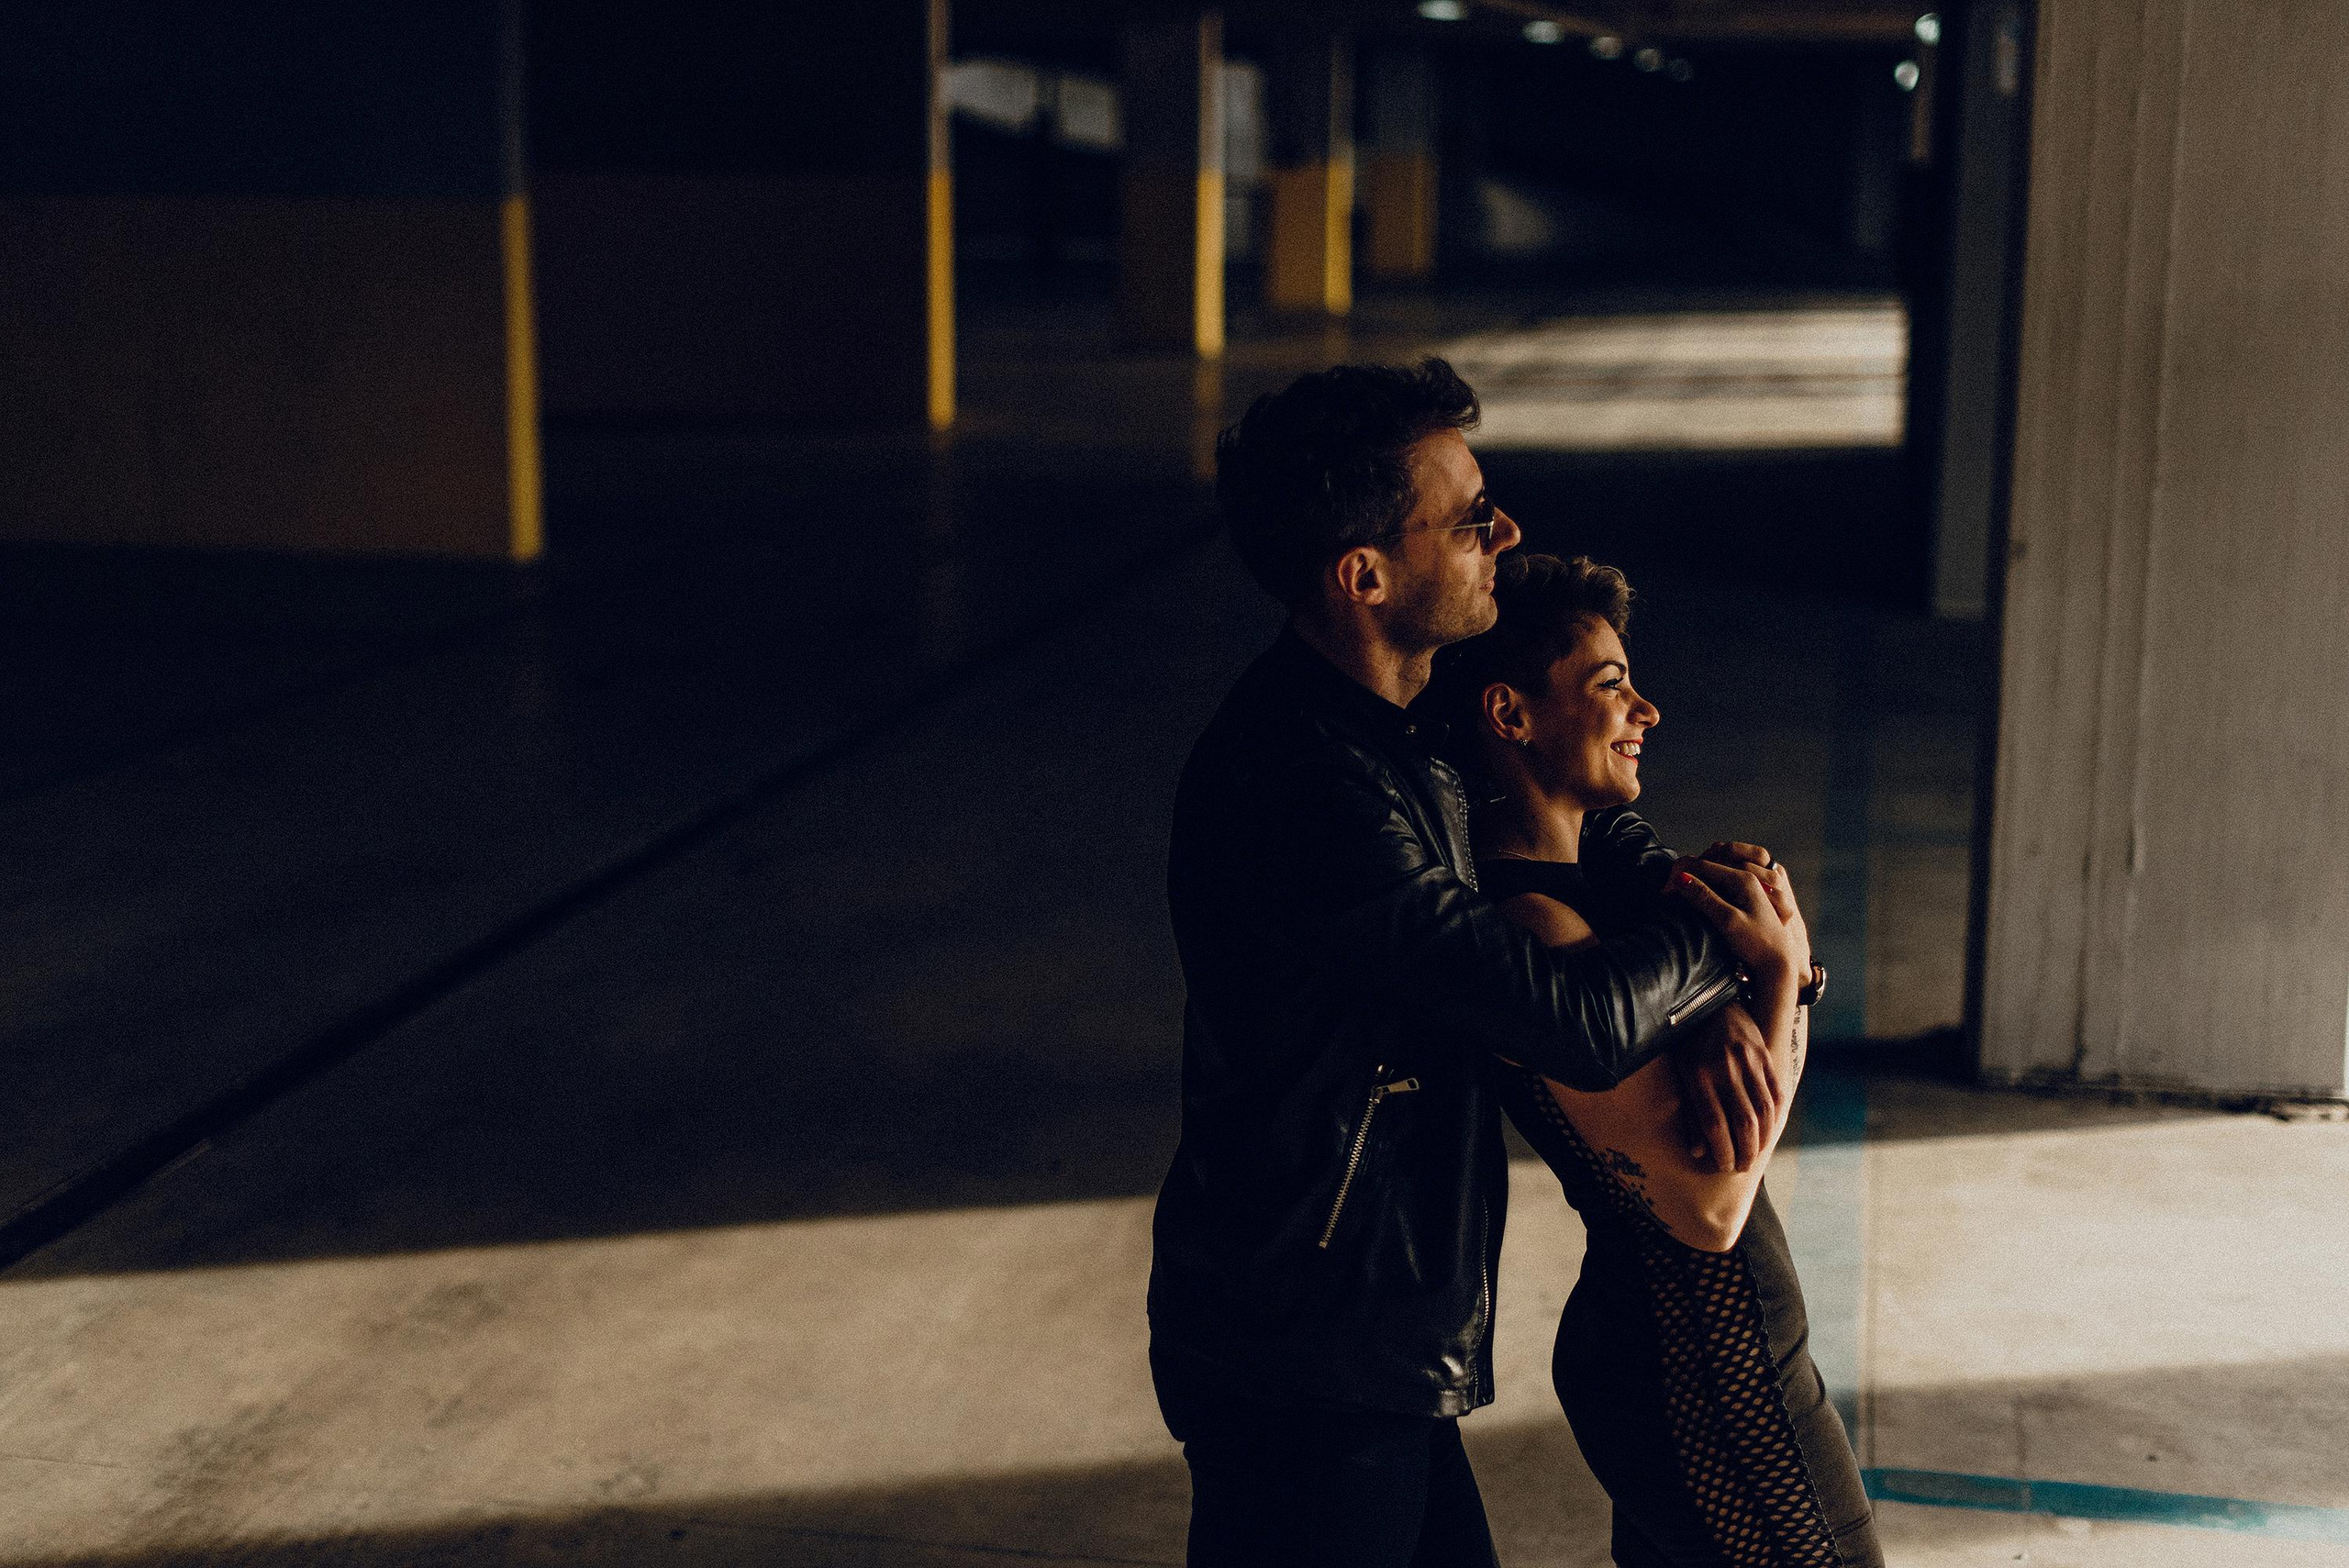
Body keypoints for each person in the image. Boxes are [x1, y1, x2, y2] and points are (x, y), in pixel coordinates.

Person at [1150, 360, 1785, 1567]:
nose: (1508, 532)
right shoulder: (1304, 785)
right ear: (1365, 575)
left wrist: (1674, 894)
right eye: (1470, 518)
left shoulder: (1404, 711)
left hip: (1367, 1339)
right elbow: (1571, 1017)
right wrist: (1726, 938)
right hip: (1303, 1349)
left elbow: (1581, 812)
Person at [1430, 551, 1884, 1567]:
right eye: (1607, 685)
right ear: (1510, 715)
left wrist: (1756, 979)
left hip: (1708, 1343)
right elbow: (1709, 1204)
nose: (1647, 708)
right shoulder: (1532, 925)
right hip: (1696, 1356)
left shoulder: (1603, 872)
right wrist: (1770, 978)